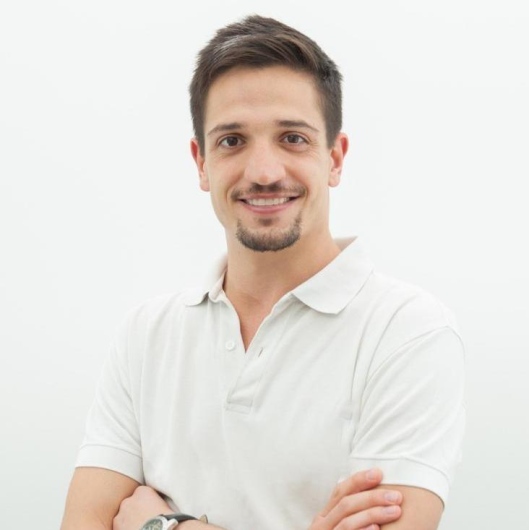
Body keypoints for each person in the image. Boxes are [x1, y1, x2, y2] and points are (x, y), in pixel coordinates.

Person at [61, 14, 465, 530]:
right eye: (232, 141)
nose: (264, 172)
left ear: (335, 158)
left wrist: (166, 526)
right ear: (201, 162)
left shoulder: (408, 332)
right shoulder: (147, 335)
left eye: (292, 138)